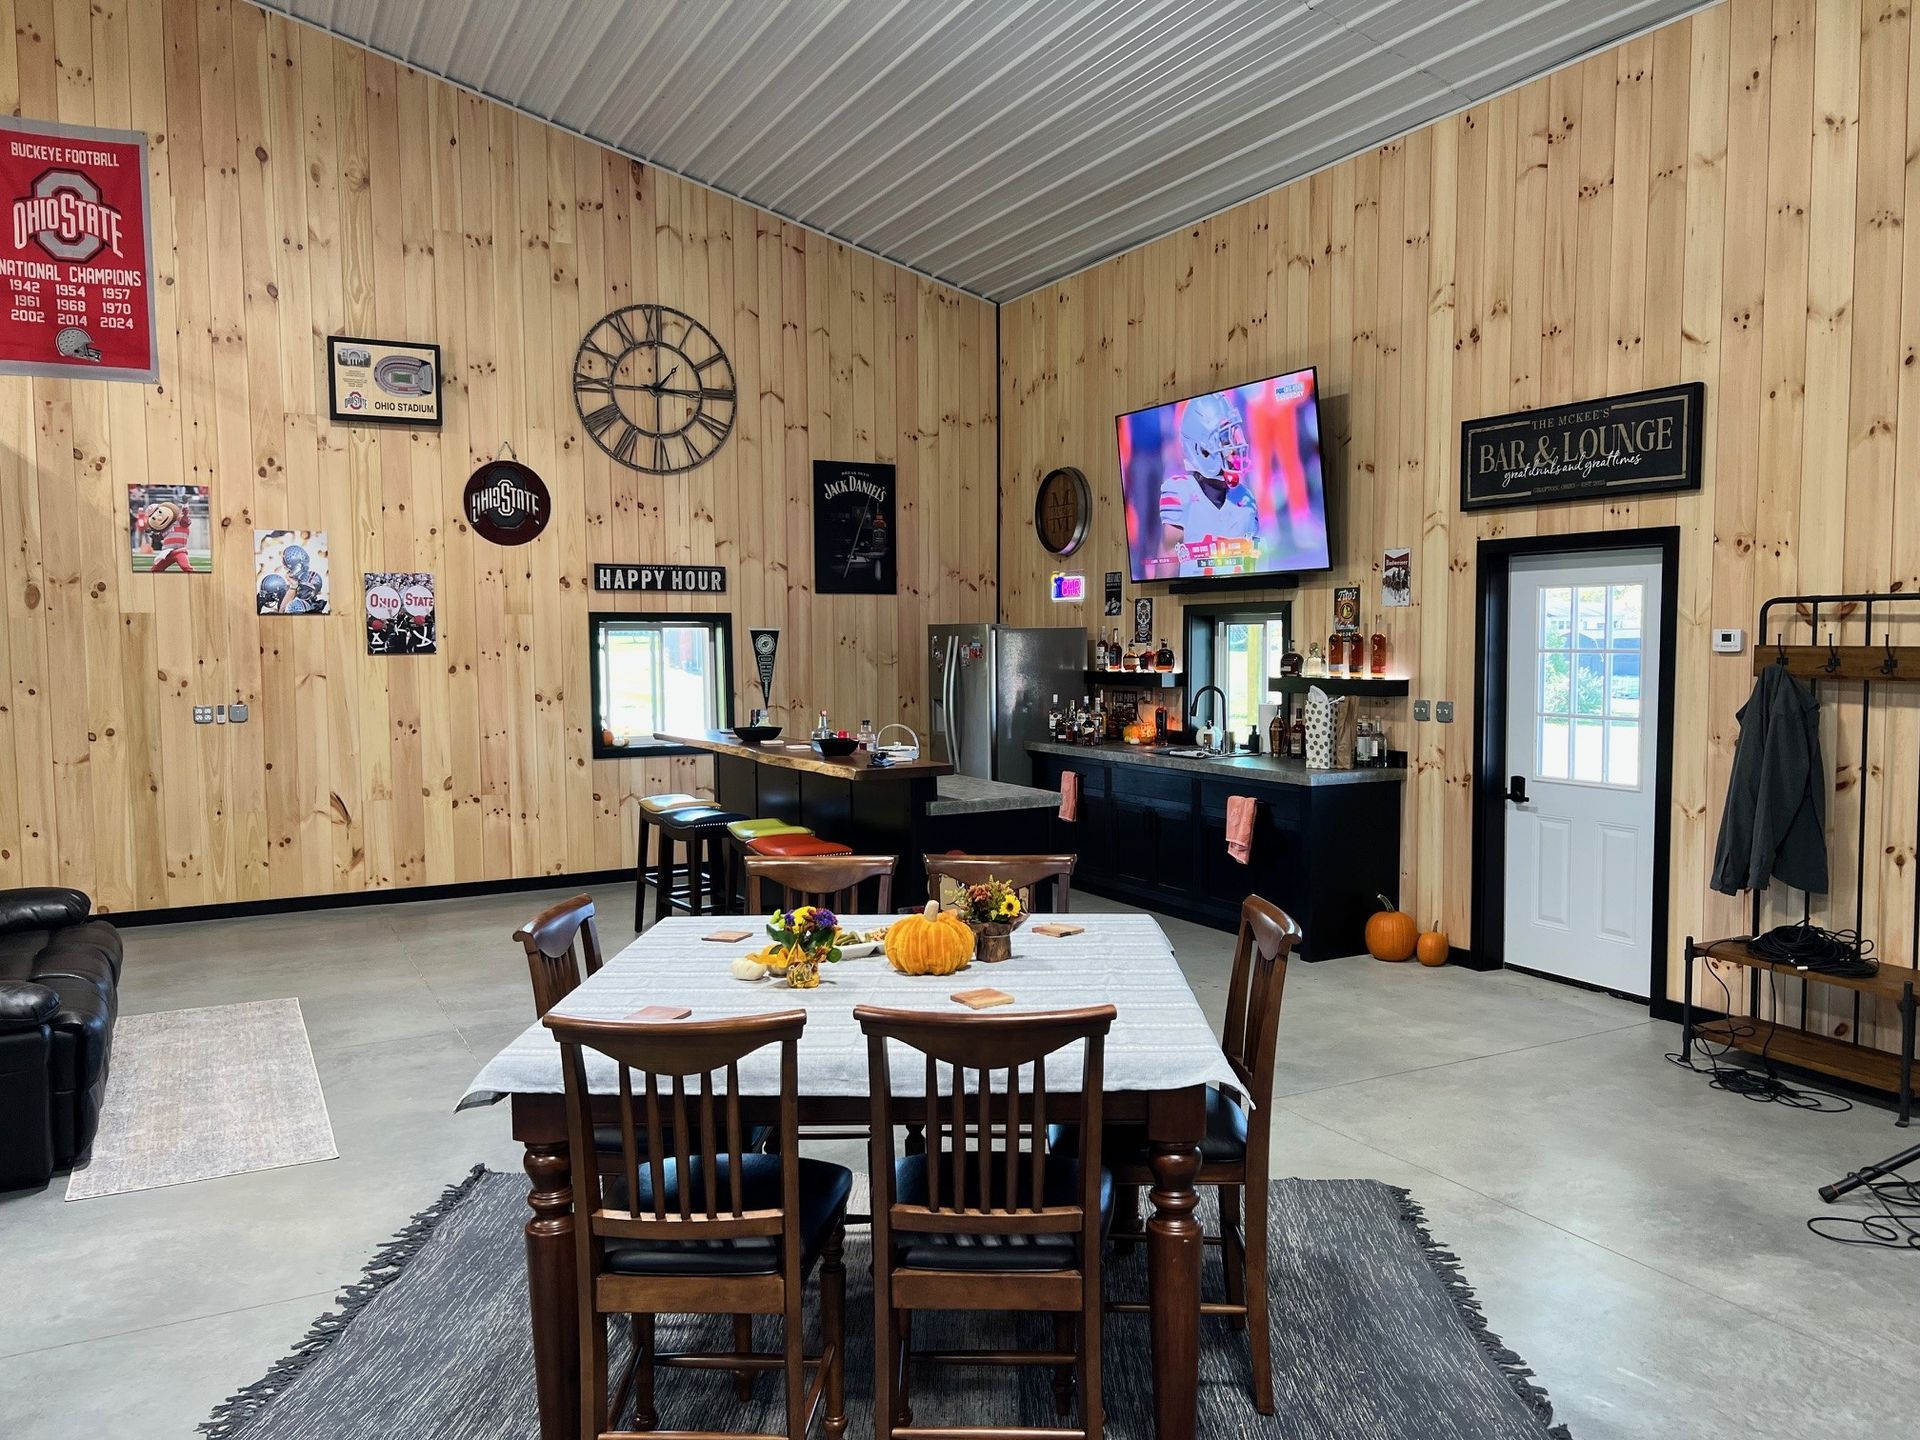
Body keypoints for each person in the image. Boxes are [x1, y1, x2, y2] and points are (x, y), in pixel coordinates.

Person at [1159, 391, 1259, 577]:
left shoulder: (1245, 499)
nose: (1236, 446)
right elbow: (1164, 578)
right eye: (1225, 439)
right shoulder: (1180, 494)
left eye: (1234, 435)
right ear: (1201, 449)